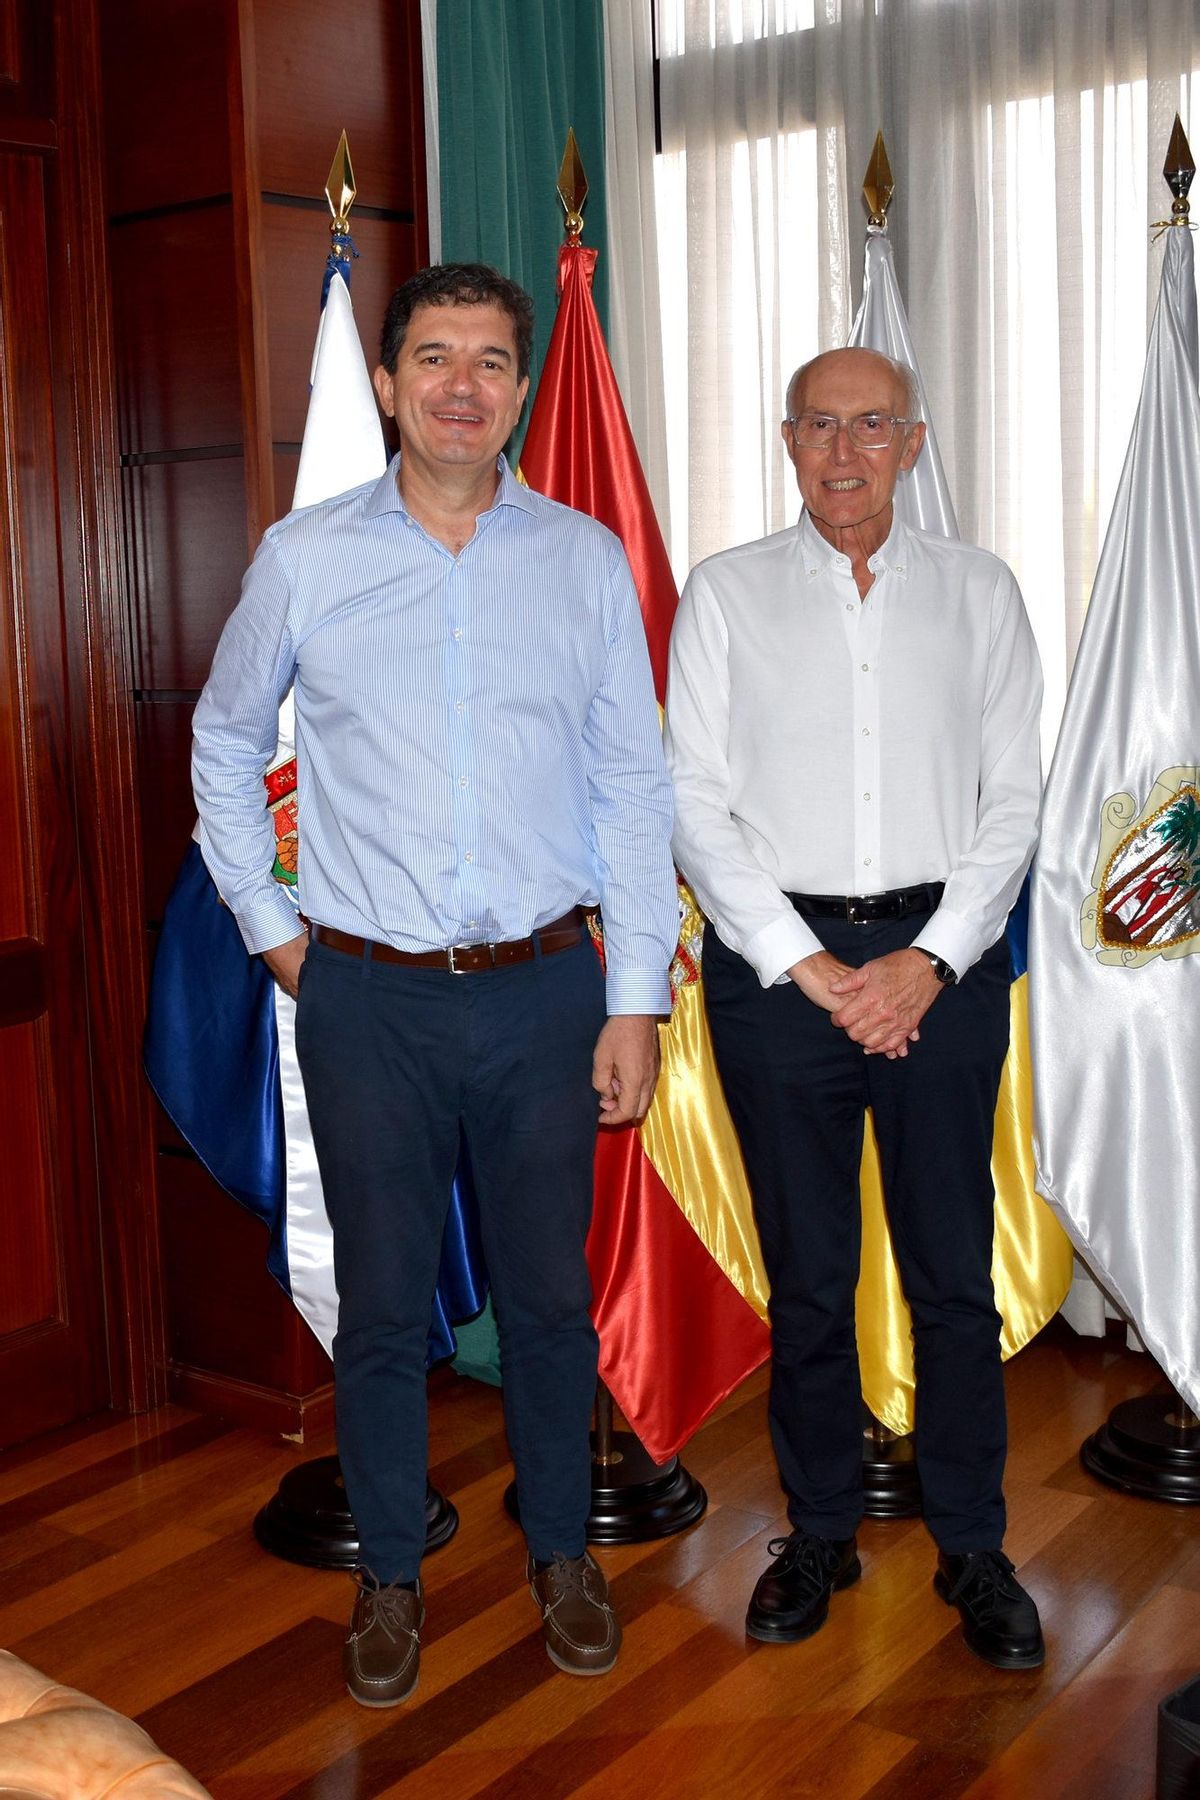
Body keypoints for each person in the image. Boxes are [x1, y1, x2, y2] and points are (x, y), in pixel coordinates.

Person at [192, 263, 677, 1705]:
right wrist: (274, 936)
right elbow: (226, 746)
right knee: (388, 1310)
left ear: (521, 389)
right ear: (390, 384)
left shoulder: (582, 561)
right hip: (368, 1001)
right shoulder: (304, 556)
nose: (463, 384)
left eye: (489, 361)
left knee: (544, 1305)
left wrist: (636, 997)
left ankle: (562, 1558)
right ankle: (391, 1576)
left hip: (543, 996)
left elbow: (633, 787)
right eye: (433, 357)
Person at [664, 347, 1045, 1671]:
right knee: (810, 1279)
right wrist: (812, 966)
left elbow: (1015, 803)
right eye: (820, 425)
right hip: (782, 977)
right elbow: (693, 803)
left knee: (952, 1276)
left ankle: (976, 1548)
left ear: (915, 441)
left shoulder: (982, 593)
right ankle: (819, 1527)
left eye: (871, 425)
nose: (845, 450)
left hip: (944, 957)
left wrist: (928, 962)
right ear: (786, 441)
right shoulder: (725, 596)